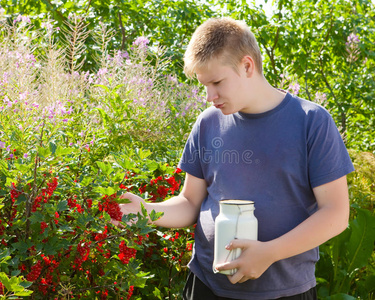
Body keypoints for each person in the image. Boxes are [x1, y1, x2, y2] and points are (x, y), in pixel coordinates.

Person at [117, 17, 354, 300]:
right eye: (204, 85)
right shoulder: (207, 123)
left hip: (285, 292)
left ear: (247, 66)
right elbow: (190, 202)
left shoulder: (311, 122)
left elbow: (336, 214)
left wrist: (269, 253)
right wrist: (146, 210)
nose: (209, 96)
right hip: (206, 287)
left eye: (217, 82)